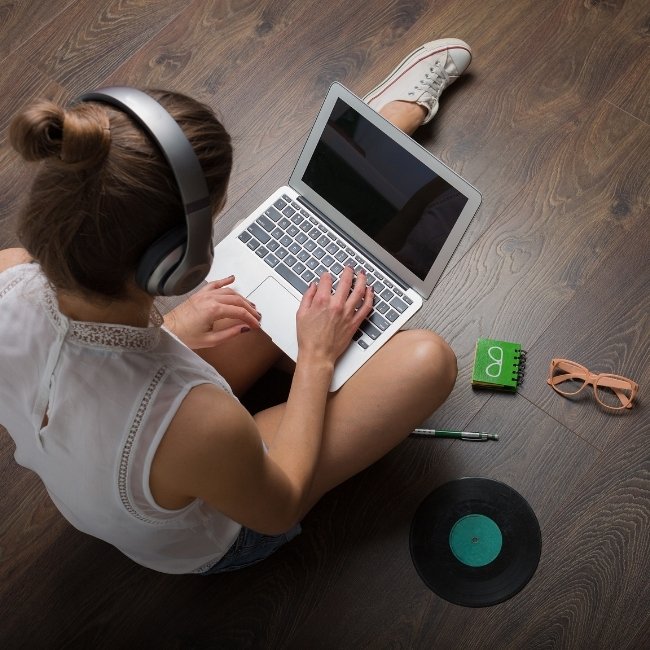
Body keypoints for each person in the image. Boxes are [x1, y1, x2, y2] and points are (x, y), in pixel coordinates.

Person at [0, 39, 470, 574]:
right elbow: (280, 506)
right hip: (217, 529)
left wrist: (172, 327)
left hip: (111, 463)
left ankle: (385, 130)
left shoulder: (7, 274)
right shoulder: (200, 419)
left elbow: (71, 372)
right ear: (172, 265)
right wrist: (314, 360)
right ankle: (383, 128)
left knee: (269, 296)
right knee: (428, 361)